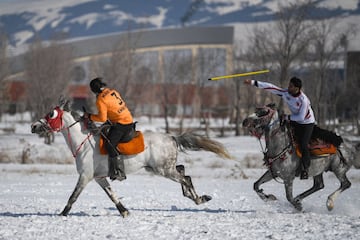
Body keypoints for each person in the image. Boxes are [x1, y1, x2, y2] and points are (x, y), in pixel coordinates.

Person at [244, 77, 315, 180]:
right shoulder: (286, 93)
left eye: (291, 86)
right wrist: (253, 82)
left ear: (297, 88)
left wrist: (287, 117)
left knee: (303, 144)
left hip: (306, 123)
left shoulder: (303, 100)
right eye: (289, 84)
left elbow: (301, 117)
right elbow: (270, 87)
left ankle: (305, 169)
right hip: (294, 120)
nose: (288, 87)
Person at [85, 77, 134, 181]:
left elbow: (102, 118)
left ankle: (119, 171)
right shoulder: (113, 91)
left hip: (121, 124)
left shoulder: (100, 99)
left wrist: (89, 116)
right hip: (128, 118)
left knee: (110, 145)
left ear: (94, 90)